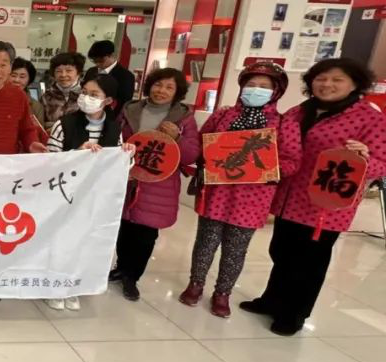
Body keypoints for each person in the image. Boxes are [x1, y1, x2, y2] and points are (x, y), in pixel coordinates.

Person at [241, 58, 386, 336]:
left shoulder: (369, 118)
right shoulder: (299, 111)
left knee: (309, 261)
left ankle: (294, 313)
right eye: (321, 79)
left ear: (355, 84)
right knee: (281, 252)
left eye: (337, 79)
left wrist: (364, 158)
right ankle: (272, 300)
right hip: (289, 197)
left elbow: (382, 163)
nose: (327, 84)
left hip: (325, 204)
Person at [177, 62, 300, 319]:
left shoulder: (283, 123)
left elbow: (292, 161)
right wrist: (207, 157)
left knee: (236, 249)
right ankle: (195, 283)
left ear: (276, 91)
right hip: (216, 192)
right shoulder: (224, 115)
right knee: (205, 242)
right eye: (250, 85)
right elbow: (202, 143)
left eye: (264, 86)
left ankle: (223, 293)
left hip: (253, 197)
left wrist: (266, 169)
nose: (256, 90)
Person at [45, 73, 135, 311]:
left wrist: (126, 154)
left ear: (108, 101)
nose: (86, 98)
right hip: (65, 195)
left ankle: (73, 286)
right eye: (84, 92)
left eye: (94, 94)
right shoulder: (64, 124)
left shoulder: (114, 129)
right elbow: (49, 161)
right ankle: (54, 286)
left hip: (94, 198)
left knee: (83, 242)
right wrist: (77, 153)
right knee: (61, 242)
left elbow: (117, 167)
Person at [110, 68, 201, 301]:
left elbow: (192, 154)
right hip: (127, 178)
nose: (162, 91)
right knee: (123, 227)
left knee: (146, 233)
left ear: (177, 92)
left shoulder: (184, 118)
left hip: (158, 183)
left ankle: (132, 277)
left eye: (169, 87)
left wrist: (177, 138)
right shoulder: (131, 109)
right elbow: (113, 137)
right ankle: (121, 267)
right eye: (158, 85)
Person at [84, 40, 136, 114]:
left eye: (101, 61)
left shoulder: (126, 76)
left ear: (111, 55)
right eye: (95, 61)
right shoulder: (91, 71)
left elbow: (124, 103)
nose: (98, 64)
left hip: (110, 115)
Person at [40, 52, 86, 128]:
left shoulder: (86, 95)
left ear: (78, 73)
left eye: (69, 70)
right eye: (58, 71)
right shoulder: (47, 97)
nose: (63, 75)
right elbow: (39, 123)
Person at [11, 57, 45, 122]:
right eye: (13, 75)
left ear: (29, 80)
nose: (17, 80)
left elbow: (39, 128)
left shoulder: (36, 107)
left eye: (22, 77)